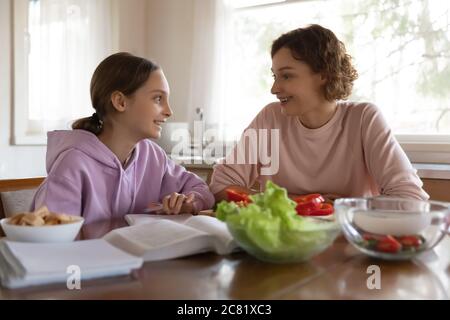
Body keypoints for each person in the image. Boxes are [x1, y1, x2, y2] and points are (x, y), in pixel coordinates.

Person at [210, 24, 428, 202]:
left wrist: (343, 207)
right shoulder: (270, 118)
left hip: (348, 243)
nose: (274, 89)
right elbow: (221, 185)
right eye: (275, 76)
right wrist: (297, 201)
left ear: (323, 74)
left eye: (286, 76)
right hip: (284, 245)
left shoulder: (363, 119)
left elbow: (411, 198)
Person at [31, 52, 215, 223]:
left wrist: (189, 202)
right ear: (120, 102)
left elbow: (202, 190)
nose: (169, 111)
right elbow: (48, 237)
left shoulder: (153, 156)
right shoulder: (72, 164)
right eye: (158, 99)